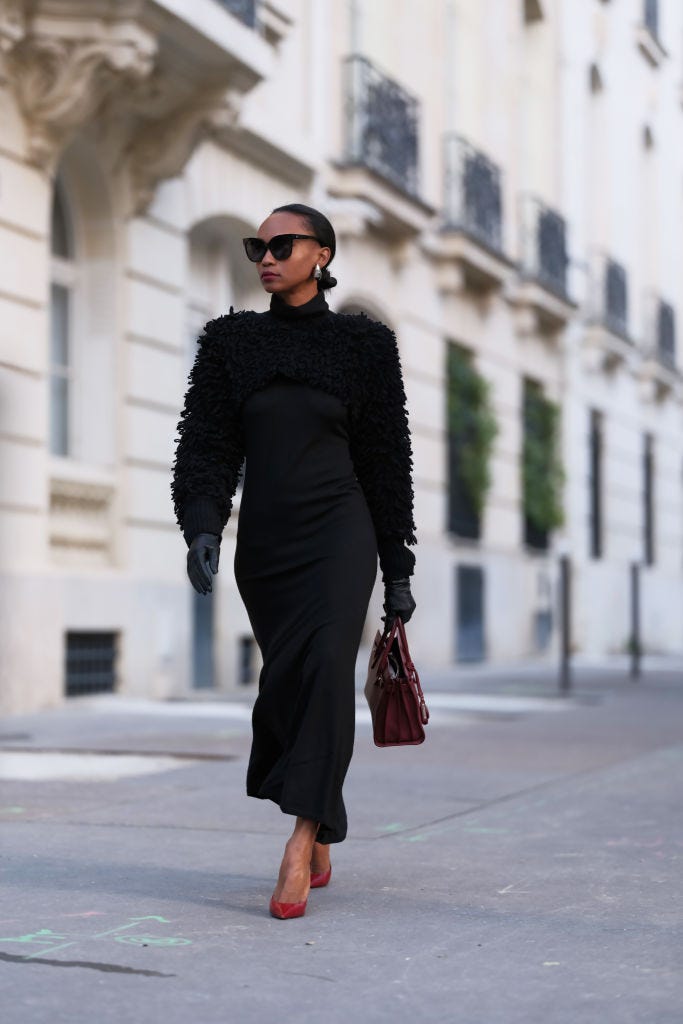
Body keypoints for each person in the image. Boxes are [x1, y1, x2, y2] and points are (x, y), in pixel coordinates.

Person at [171, 203, 417, 919]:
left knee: (322, 673)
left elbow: (385, 460)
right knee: (287, 683)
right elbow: (206, 445)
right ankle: (323, 817)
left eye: (282, 244)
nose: (266, 257)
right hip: (268, 546)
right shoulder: (228, 343)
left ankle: (300, 835)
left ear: (322, 255)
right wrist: (201, 525)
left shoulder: (364, 346)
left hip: (342, 533)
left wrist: (396, 567)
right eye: (258, 246)